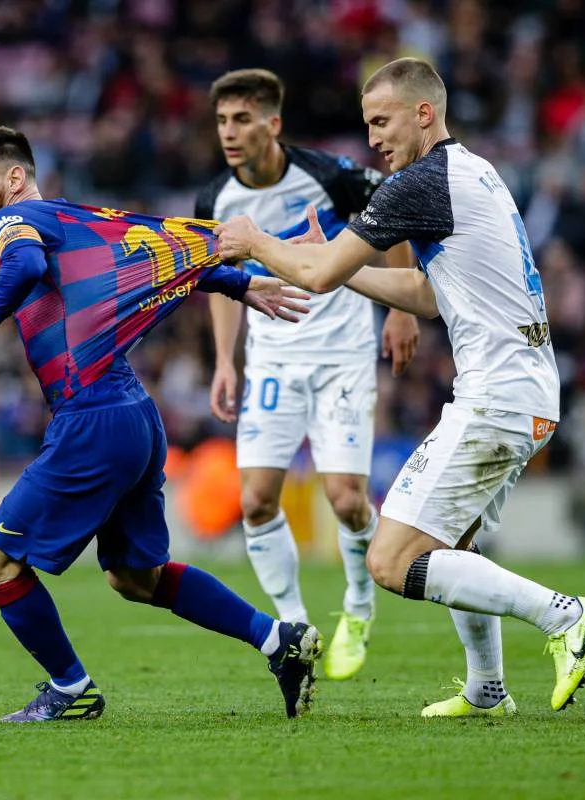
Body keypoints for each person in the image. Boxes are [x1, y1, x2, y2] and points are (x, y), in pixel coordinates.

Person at [215, 59, 585, 717]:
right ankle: (486, 690)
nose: (372, 138)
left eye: (382, 121)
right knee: (452, 545)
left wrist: (256, 241)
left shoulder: (419, 183)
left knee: (391, 561)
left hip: (496, 397)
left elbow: (315, 275)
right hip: (525, 391)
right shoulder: (472, 171)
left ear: (424, 114)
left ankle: (565, 615)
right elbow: (426, 294)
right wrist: (335, 267)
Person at [0, 126, 322, 722]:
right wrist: (239, 283)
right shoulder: (73, 221)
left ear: (15, 179)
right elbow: (153, 256)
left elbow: (24, 264)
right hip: (133, 415)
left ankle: (71, 689)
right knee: (136, 577)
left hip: (93, 419)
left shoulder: (14, 222)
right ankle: (277, 640)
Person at [196, 68, 420, 681]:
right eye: (222, 121)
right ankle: (296, 625)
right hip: (272, 359)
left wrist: (401, 309)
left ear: (273, 123)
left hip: (342, 354)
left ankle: (360, 604)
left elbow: (394, 214)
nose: (229, 132)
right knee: (254, 500)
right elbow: (224, 282)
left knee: (345, 500)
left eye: (242, 119)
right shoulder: (216, 200)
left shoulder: (330, 176)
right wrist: (225, 359)